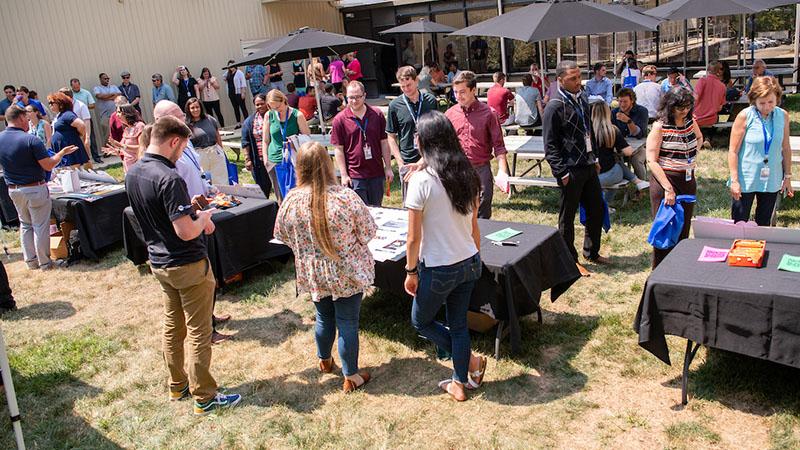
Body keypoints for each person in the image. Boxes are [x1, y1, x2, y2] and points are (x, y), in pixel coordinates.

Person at [125, 115, 241, 416]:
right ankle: (205, 396)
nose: (182, 154)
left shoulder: (135, 171)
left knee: (172, 325)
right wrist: (203, 217)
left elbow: (159, 214)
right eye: (183, 146)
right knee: (200, 331)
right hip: (187, 262)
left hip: (160, 261)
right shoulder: (169, 177)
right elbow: (185, 231)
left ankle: (177, 384)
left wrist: (191, 208)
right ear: (174, 141)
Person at [274, 141, 376, 393]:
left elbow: (281, 233)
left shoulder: (291, 199)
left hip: (314, 272)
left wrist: (307, 250)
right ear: (327, 164)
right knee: (348, 322)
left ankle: (324, 360)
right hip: (346, 271)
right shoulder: (344, 197)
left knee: (323, 317)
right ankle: (350, 375)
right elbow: (368, 231)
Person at [404, 111, 488, 402]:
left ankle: (467, 368)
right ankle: (460, 379)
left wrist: (410, 271)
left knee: (421, 321)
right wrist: (476, 257)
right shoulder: (467, 172)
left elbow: (413, 237)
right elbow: (474, 225)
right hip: (468, 261)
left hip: (439, 267)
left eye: (417, 134)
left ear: (426, 140)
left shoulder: (422, 181)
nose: (414, 138)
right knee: (459, 324)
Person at [543, 61, 609, 276]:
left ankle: (592, 251)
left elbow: (587, 129)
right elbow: (550, 145)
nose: (578, 81)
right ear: (560, 80)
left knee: (596, 209)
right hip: (569, 171)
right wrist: (561, 172)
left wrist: (595, 156)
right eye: (572, 78)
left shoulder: (582, 98)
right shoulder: (554, 106)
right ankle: (569, 261)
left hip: (588, 165)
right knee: (567, 217)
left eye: (579, 76)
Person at [0, 105, 77, 270]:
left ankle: (31, 261)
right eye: (26, 119)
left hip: (13, 189)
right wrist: (61, 153)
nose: (28, 122)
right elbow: (48, 166)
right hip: (34, 188)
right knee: (40, 225)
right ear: (20, 118)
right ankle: (45, 263)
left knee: (25, 224)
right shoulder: (31, 139)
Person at [646, 87, 703, 268]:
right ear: (670, 107)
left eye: (687, 106)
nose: (684, 111)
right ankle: (660, 270)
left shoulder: (690, 122)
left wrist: (691, 157)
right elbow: (651, 161)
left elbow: (699, 138)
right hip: (666, 181)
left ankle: (678, 269)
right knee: (666, 229)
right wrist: (668, 189)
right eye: (680, 108)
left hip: (687, 180)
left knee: (683, 229)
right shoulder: (659, 127)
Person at [727, 76, 793, 226]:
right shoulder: (745, 116)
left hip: (772, 178)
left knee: (763, 224)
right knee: (739, 223)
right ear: (754, 100)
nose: (767, 107)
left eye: (771, 102)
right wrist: (735, 180)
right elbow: (733, 151)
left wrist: (788, 175)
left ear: (777, 98)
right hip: (746, 178)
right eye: (762, 103)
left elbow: (786, 147)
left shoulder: (783, 116)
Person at [445, 71, 508, 220]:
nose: (458, 96)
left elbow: (499, 145)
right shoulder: (449, 114)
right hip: (457, 170)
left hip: (481, 170)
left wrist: (503, 171)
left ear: (474, 90)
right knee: (459, 214)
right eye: (455, 92)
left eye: (462, 92)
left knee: (482, 212)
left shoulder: (489, 114)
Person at [331, 81, 393, 207]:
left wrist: (388, 167)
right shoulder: (339, 119)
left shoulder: (377, 114)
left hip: (376, 172)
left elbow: (384, 142)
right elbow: (338, 149)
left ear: (364, 95)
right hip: (355, 175)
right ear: (345, 97)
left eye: (358, 97)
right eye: (351, 98)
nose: (354, 101)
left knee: (377, 210)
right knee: (360, 211)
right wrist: (343, 175)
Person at [386, 66, 439, 181]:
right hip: (407, 161)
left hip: (429, 158)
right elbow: (391, 136)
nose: (406, 89)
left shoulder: (430, 101)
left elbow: (438, 132)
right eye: (402, 86)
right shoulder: (394, 106)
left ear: (416, 81)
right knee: (410, 198)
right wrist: (400, 162)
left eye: (409, 85)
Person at [262, 89, 311, 203]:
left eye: (278, 107)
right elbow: (265, 140)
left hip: (294, 160)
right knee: (281, 198)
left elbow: (307, 138)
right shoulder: (269, 115)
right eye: (272, 108)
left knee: (298, 195)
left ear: (284, 100)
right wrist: (265, 158)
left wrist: (295, 141)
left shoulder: (297, 115)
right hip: (275, 160)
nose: (276, 110)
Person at [153, 100, 208, 198]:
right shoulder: (162, 151)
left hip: (203, 203)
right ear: (162, 121)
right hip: (186, 207)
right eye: (177, 117)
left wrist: (207, 187)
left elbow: (195, 168)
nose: (182, 120)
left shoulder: (186, 139)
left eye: (182, 115)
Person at [591, 102, 649, 191]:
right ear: (608, 113)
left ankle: (637, 182)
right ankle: (637, 181)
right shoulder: (612, 130)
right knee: (616, 160)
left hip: (589, 175)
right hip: (609, 174)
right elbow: (628, 152)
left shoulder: (585, 131)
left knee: (615, 159)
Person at [185, 98, 227, 186]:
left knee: (221, 179)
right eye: (192, 108)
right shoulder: (186, 125)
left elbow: (217, 135)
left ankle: (224, 198)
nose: (195, 110)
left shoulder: (210, 119)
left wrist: (221, 150)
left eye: (197, 107)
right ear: (188, 110)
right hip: (200, 154)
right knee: (205, 181)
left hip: (215, 151)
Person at [611, 88, 649, 180]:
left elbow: (639, 134)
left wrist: (628, 121)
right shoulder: (614, 112)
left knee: (636, 160)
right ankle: (623, 184)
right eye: (620, 101)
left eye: (625, 101)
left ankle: (641, 188)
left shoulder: (642, 111)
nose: (622, 104)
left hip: (640, 146)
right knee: (613, 158)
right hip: (622, 146)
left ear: (632, 101)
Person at [48, 92, 89, 168]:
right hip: (64, 149)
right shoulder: (60, 115)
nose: (50, 105)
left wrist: (79, 135)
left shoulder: (67, 114)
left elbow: (81, 125)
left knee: (74, 172)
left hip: (70, 148)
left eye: (52, 103)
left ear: (60, 103)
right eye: (49, 103)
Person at [241, 94, 271, 198]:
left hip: (275, 158)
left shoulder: (275, 117)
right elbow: (245, 142)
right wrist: (247, 159)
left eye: (262, 104)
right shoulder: (249, 122)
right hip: (259, 160)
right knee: (263, 188)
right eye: (257, 104)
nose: (260, 106)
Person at [59, 87, 98, 163]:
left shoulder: (81, 105)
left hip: (80, 135)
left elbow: (86, 122)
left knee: (85, 158)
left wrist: (87, 138)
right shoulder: (62, 108)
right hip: (69, 137)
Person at [106, 104, 144, 173]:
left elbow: (141, 147)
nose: (117, 115)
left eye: (119, 112)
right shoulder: (126, 129)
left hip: (138, 167)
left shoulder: (139, 126)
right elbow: (125, 150)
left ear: (127, 113)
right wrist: (116, 151)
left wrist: (122, 146)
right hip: (128, 167)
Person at [693, 61, 727, 128]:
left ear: (708, 70)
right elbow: (719, 108)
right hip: (712, 119)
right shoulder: (722, 86)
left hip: (697, 118)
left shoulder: (702, 81)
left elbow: (694, 98)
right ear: (719, 72)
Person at [93, 73, 120, 148]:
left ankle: (118, 148)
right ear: (100, 79)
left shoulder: (113, 86)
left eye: (108, 78)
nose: (107, 80)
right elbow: (99, 96)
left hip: (116, 113)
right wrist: (112, 95)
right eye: (105, 79)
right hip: (105, 115)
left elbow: (119, 95)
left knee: (118, 130)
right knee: (107, 133)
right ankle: (107, 150)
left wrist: (105, 97)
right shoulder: (97, 88)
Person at [223, 61, 248, 127]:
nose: (231, 67)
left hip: (239, 92)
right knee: (235, 108)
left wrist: (243, 92)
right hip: (231, 93)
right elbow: (224, 77)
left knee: (243, 107)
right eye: (230, 66)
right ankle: (238, 123)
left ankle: (247, 122)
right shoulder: (228, 73)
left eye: (232, 65)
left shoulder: (239, 73)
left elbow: (243, 83)